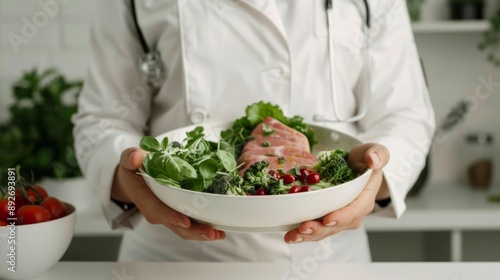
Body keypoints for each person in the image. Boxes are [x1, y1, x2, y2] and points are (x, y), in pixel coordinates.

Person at [73, 0, 435, 263]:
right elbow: (102, 121)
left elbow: (407, 114)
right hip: (178, 257)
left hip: (325, 258)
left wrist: (371, 179)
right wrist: (133, 178)